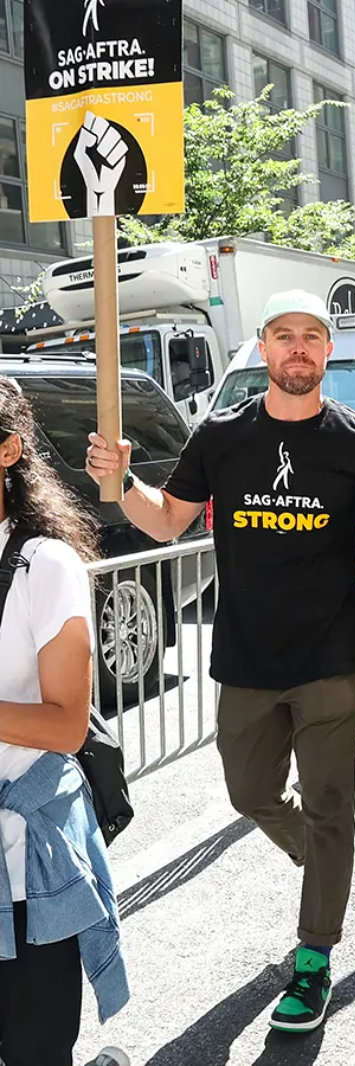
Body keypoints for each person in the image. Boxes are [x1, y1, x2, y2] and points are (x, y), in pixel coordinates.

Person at [85, 290, 355, 1034]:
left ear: (327, 352)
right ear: (262, 347)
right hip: (245, 661)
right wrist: (121, 480)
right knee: (249, 792)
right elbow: (165, 522)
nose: (297, 349)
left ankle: (314, 956)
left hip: (329, 663)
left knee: (332, 810)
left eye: (311, 337)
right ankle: (319, 858)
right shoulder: (221, 435)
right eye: (284, 336)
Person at [0, 376, 129, 1066]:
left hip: (27, 864)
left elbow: (64, 727)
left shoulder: (43, 566)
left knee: (34, 1049)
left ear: (8, 450)